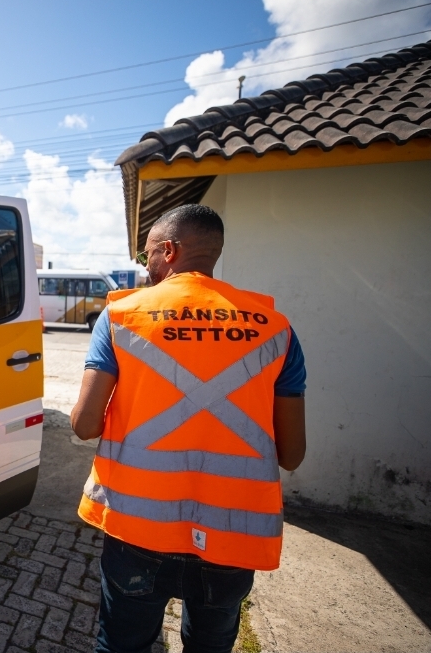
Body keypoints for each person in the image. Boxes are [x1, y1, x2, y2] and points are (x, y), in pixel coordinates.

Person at [71, 204, 306, 653]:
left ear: (169, 250)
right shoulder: (276, 329)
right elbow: (292, 454)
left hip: (137, 529)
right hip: (232, 535)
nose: (147, 267)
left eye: (147, 257)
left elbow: (84, 424)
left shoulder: (122, 316)